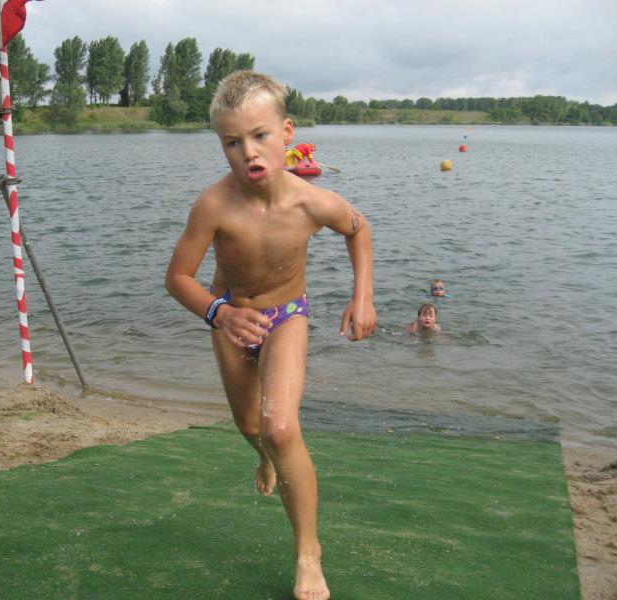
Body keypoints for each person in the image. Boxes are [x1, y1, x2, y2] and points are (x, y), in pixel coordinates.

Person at [165, 70, 377, 600]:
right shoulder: (214, 206)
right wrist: (219, 314)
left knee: (280, 428)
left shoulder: (312, 202)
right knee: (249, 425)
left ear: (286, 133)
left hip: (287, 316)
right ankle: (262, 455)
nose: (248, 153)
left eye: (260, 136)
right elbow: (178, 278)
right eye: (232, 143)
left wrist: (363, 297)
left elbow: (359, 229)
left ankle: (308, 552)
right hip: (231, 315)